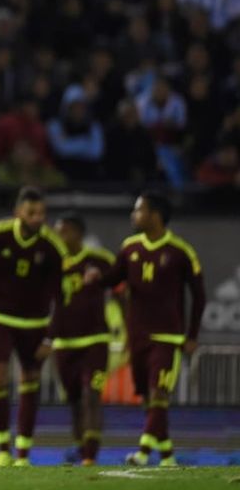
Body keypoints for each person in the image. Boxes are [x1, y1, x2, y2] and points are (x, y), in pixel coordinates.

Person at [86, 192, 205, 467]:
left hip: (167, 336)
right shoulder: (129, 248)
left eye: (138, 210)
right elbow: (113, 278)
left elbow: (198, 296)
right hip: (137, 335)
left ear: (155, 215)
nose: (133, 215)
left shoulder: (180, 251)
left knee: (159, 393)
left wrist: (192, 336)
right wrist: (96, 279)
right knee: (149, 400)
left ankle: (142, 453)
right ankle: (167, 457)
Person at [0, 186, 66, 466]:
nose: (37, 218)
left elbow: (61, 295)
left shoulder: (52, 247)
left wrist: (51, 336)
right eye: (31, 212)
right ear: (18, 212)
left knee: (30, 379)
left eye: (41, 213)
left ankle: (23, 452)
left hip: (36, 322)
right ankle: (3, 447)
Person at [44, 214, 115, 466]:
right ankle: (79, 447)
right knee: (74, 401)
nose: (58, 236)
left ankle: (90, 455)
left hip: (94, 341)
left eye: (62, 231)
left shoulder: (100, 260)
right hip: (64, 344)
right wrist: (47, 338)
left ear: (77, 233)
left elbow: (122, 289)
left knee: (91, 395)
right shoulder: (52, 263)